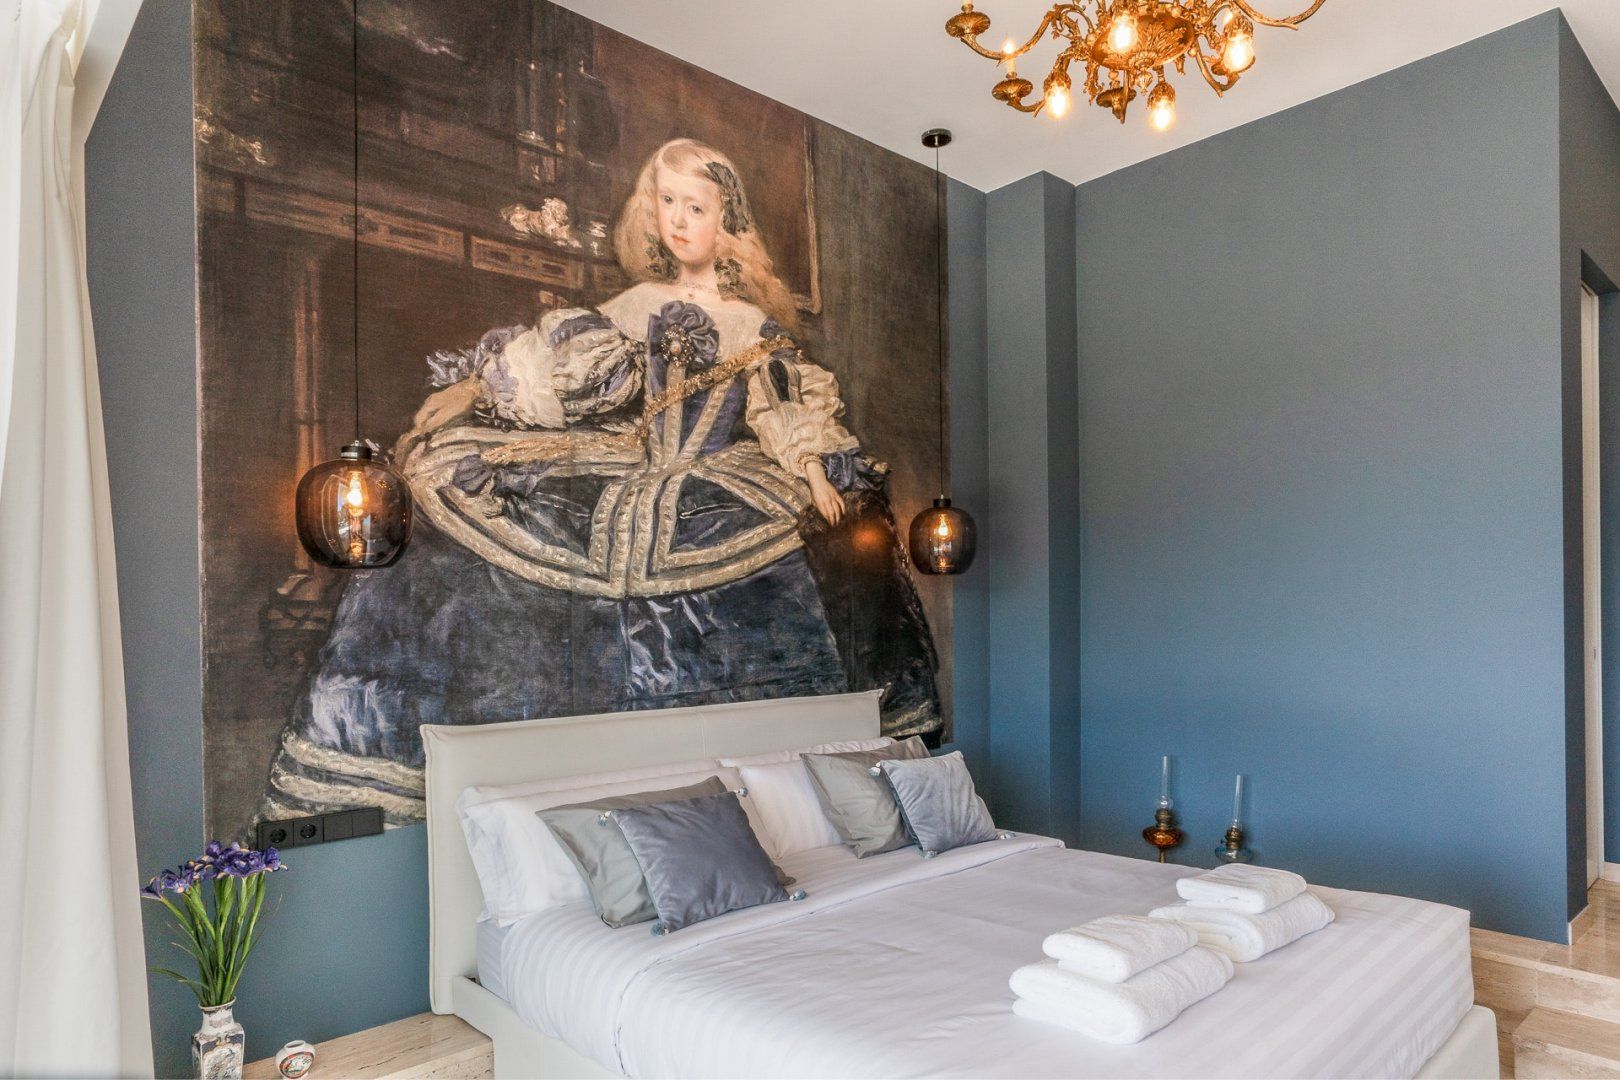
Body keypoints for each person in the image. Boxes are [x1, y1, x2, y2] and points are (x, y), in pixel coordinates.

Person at [261, 138, 939, 826]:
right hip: (620, 460)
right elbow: (557, 365)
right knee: (456, 504)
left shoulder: (753, 326)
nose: (679, 220)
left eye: (696, 207)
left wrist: (813, 470)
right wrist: (474, 387)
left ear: (726, 220)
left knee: (837, 542)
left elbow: (780, 406)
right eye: (667, 202)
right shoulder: (634, 303)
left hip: (712, 477)